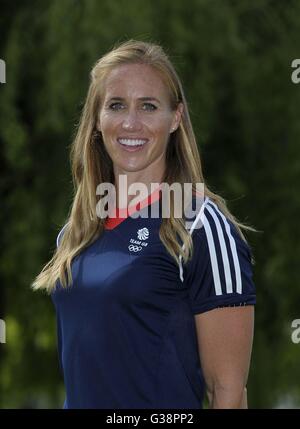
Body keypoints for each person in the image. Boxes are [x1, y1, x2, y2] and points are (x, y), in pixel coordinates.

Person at [32, 39, 256, 409]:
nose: (130, 122)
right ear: (96, 120)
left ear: (176, 118)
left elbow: (227, 392)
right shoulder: (75, 235)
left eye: (148, 106)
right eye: (116, 105)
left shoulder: (199, 224)